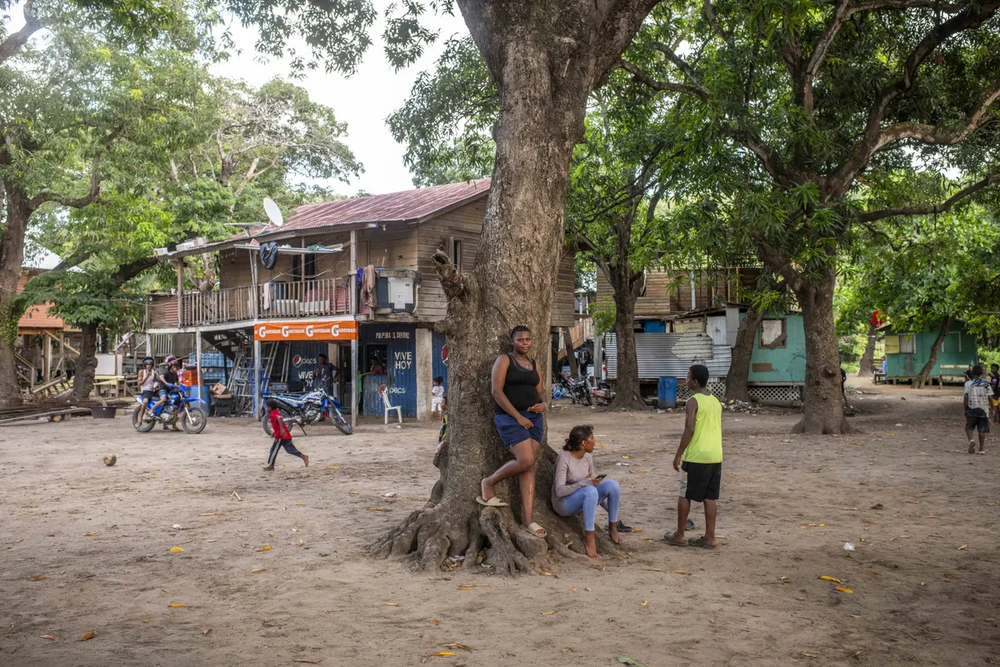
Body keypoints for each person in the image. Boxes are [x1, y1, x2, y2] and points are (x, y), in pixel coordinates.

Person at [479, 325, 547, 538]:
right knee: (525, 460)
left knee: (529, 466)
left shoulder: (535, 364)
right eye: (520, 340)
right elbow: (496, 392)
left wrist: (543, 404)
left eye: (528, 339)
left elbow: (541, 391)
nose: (525, 343)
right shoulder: (504, 360)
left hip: (534, 418)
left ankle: (528, 520)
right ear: (513, 341)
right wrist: (518, 417)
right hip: (510, 417)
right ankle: (488, 483)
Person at [665, 364, 722, 549]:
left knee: (685, 494)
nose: (686, 379)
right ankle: (710, 538)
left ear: (695, 382)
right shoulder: (715, 401)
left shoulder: (693, 401)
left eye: (688, 377)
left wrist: (678, 454)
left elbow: (689, 429)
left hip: (697, 455)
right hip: (715, 455)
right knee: (710, 497)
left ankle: (680, 535)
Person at [552, 424, 621, 559]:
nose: (595, 441)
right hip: (564, 504)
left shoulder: (588, 457)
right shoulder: (564, 459)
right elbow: (559, 491)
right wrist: (584, 483)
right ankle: (589, 538)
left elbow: (593, 485)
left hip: (585, 497)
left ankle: (613, 526)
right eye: (592, 438)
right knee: (589, 490)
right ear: (584, 442)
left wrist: (609, 509)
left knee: (613, 485)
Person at [263, 398, 309, 470]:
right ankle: (303, 456)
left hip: (280, 437)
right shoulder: (275, 412)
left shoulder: (273, 414)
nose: (266, 409)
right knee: (290, 450)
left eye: (267, 407)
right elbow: (278, 422)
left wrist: (281, 429)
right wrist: (275, 431)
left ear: (270, 407)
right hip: (285, 436)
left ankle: (271, 465)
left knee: (273, 450)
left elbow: (280, 418)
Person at [964, 365, 991, 455]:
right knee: (982, 430)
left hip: (972, 408)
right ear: (982, 373)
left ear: (972, 372)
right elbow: (990, 397)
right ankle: (982, 449)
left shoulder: (968, 384)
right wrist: (993, 408)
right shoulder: (986, 384)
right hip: (984, 409)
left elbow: (965, 398)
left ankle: (971, 440)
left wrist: (965, 409)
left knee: (969, 427)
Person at [150, 357, 182, 431]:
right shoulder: (166, 372)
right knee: (163, 399)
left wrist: (180, 385)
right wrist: (166, 383)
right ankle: (151, 410)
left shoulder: (175, 374)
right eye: (174, 367)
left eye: (175, 367)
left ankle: (172, 426)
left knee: (173, 408)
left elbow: (178, 382)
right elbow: (161, 377)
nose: (175, 368)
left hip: (171, 391)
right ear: (170, 366)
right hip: (163, 390)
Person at [136, 356, 160, 423]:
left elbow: (157, 380)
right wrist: (146, 377)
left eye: (150, 365)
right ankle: (140, 419)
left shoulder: (154, 373)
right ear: (145, 365)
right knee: (145, 402)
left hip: (153, 391)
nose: (148, 366)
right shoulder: (142, 372)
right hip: (145, 391)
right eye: (147, 365)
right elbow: (139, 384)